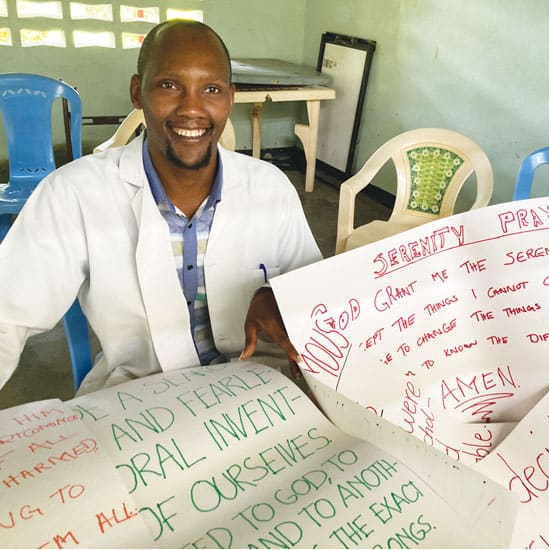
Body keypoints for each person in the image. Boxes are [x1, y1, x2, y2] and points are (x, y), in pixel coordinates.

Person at [0, 19, 322, 394]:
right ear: (138, 93)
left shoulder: (270, 188)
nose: (192, 109)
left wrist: (282, 297)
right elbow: (7, 312)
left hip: (256, 393)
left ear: (230, 99)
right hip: (138, 401)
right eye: (170, 85)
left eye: (211, 89)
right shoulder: (73, 194)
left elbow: (318, 295)